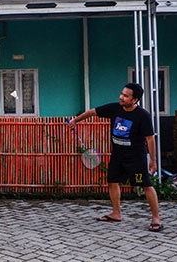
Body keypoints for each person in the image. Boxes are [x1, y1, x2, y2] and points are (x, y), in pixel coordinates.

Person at [68, 83, 162, 232]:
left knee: (145, 185)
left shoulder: (143, 116)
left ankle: (156, 218)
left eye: (126, 96)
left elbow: (150, 139)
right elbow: (93, 112)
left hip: (136, 158)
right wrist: (75, 120)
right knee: (112, 181)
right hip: (118, 156)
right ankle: (116, 213)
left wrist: (153, 160)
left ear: (135, 99)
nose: (121, 97)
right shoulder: (115, 108)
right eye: (121, 94)